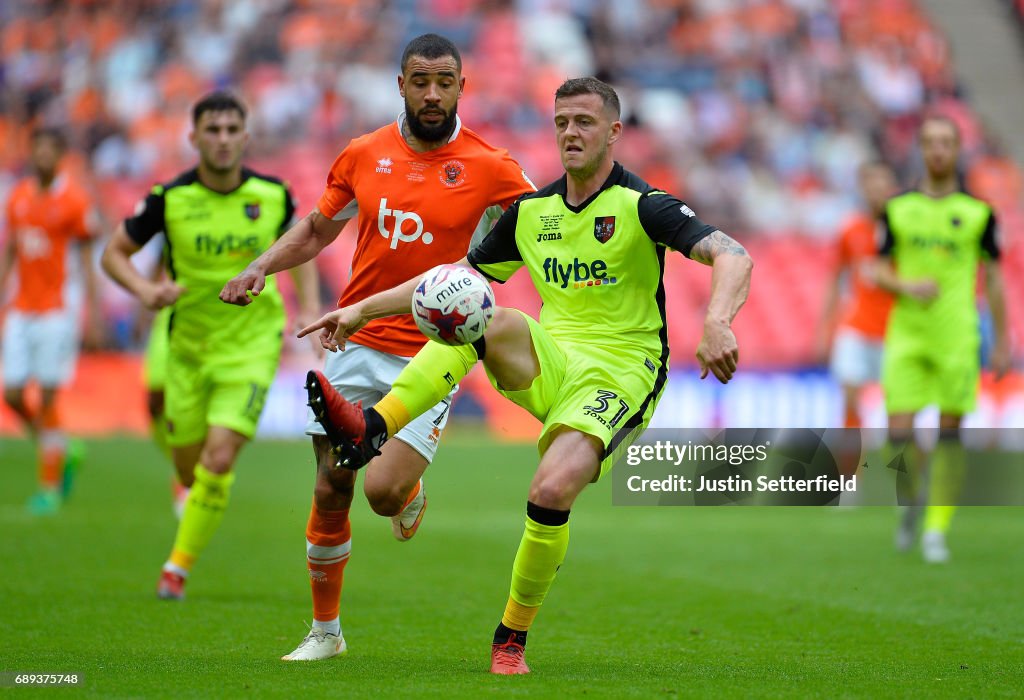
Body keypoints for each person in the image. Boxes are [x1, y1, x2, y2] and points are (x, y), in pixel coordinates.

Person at [298, 77, 753, 674]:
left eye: (585, 122)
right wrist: (359, 309)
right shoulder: (531, 213)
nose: (571, 131)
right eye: (562, 120)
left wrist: (717, 321)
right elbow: (447, 278)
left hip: (619, 374)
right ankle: (372, 429)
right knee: (470, 303)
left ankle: (510, 638)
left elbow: (732, 254)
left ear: (614, 133)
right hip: (551, 357)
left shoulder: (644, 206)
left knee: (549, 490)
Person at [219, 33, 534, 661]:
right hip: (356, 338)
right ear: (400, 84)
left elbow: (546, 228)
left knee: (381, 492)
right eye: (421, 80)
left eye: (445, 80)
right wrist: (261, 267)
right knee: (332, 486)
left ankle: (408, 494)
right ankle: (325, 634)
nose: (433, 93)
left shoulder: (492, 164)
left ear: (462, 87)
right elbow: (316, 230)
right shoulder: (363, 154)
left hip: (434, 351)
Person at [101, 91, 320, 599]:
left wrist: (307, 305)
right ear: (193, 137)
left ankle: (176, 568)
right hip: (188, 347)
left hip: (251, 344)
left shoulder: (273, 195)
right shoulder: (169, 198)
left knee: (220, 459)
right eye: (212, 130)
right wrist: (145, 291)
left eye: (230, 130)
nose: (222, 140)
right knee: (189, 464)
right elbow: (114, 254)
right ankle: (189, 493)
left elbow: (302, 247)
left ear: (245, 136)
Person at [874, 115, 1010, 563]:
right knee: (898, 432)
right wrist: (905, 286)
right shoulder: (896, 210)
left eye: (945, 143)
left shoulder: (979, 214)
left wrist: (1004, 341)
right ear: (920, 149)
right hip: (908, 334)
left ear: (957, 150)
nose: (937, 150)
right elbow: (874, 269)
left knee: (950, 435)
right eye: (929, 142)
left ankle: (937, 528)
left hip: (956, 335)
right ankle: (913, 499)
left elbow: (993, 280)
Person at [0, 126, 102, 515]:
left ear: (59, 156)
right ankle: (63, 446)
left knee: (45, 396)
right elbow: (11, 246)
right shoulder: (19, 196)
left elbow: (88, 259)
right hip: (21, 308)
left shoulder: (74, 201)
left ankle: (49, 488)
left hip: (58, 308)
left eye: (49, 150)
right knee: (11, 394)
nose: (41, 156)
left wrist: (92, 314)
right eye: (36, 149)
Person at [817, 161, 898, 429]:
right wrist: (825, 329)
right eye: (870, 183)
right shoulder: (851, 230)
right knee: (850, 400)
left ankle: (903, 466)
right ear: (862, 188)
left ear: (891, 187)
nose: (876, 189)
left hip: (895, 330)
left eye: (881, 182)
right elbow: (835, 279)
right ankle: (851, 468)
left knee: (899, 408)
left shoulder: (904, 231)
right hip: (857, 327)